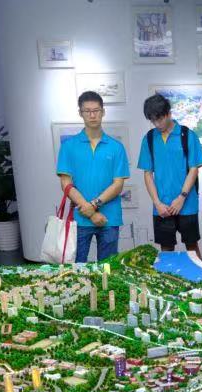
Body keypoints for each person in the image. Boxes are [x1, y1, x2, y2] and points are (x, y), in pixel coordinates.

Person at [56, 91, 129, 263]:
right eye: (87, 111)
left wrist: (94, 206)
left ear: (103, 112)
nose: (92, 115)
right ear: (80, 113)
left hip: (109, 217)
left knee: (107, 269)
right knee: (77, 268)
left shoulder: (116, 147)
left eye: (96, 110)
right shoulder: (68, 146)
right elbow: (66, 183)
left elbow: (118, 184)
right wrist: (89, 212)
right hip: (80, 218)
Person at [137, 93, 202, 257]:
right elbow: (148, 174)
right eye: (153, 120)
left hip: (187, 204)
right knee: (166, 249)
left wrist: (181, 198)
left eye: (159, 119)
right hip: (161, 206)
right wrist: (157, 203)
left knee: (192, 248)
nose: (157, 124)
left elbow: (194, 169)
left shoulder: (187, 135)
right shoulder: (149, 139)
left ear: (168, 113)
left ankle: (200, 275)